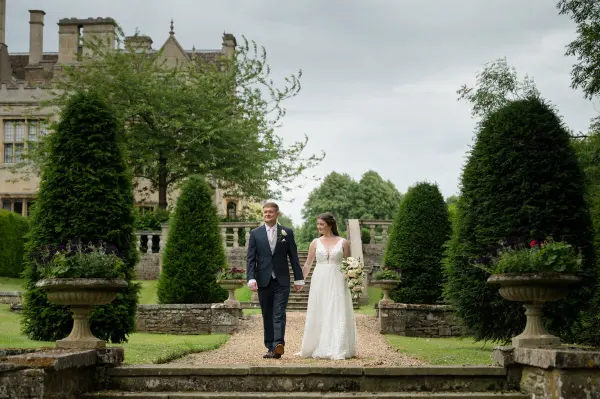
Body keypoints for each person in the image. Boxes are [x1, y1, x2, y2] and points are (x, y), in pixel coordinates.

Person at [246, 201, 304, 359]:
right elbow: (251, 259)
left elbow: (293, 257)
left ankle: (278, 344)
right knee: (267, 314)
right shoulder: (255, 233)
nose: (267, 214)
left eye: (270, 212)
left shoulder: (287, 232)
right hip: (263, 279)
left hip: (282, 279)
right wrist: (251, 277)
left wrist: (299, 279)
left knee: (279, 313)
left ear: (277, 214)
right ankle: (270, 347)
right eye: (265, 212)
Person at [296, 212, 358, 359]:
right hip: (320, 279)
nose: (319, 227)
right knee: (319, 309)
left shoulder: (343, 242)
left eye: (321, 224)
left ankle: (337, 346)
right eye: (318, 224)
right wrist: (300, 281)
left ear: (329, 225)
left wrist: (353, 280)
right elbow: (308, 264)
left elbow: (349, 264)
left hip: (338, 279)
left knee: (336, 310)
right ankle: (315, 345)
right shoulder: (315, 242)